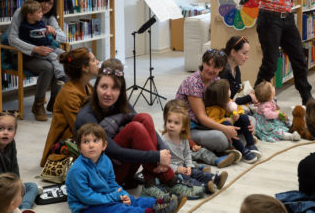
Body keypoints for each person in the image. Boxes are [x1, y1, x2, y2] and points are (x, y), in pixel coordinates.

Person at [75, 58, 197, 200]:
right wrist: (156, 157)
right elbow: (113, 150)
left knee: (144, 118)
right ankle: (168, 178)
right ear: (96, 87)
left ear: (121, 91)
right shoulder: (86, 116)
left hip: (124, 171)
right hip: (101, 178)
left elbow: (145, 122)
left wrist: (164, 154)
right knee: (135, 128)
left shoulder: (121, 104)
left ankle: (155, 178)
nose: (108, 93)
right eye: (104, 87)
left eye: (114, 88)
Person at [66, 123, 185, 213]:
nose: (91, 145)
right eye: (86, 142)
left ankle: (160, 202)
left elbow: (112, 184)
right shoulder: (77, 170)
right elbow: (87, 197)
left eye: (95, 141)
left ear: (104, 145)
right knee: (118, 208)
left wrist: (123, 195)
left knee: (132, 199)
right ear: (79, 148)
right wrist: (113, 197)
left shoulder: (105, 161)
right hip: (85, 207)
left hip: (105, 197)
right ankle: (152, 211)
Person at [7, 0, 68, 121]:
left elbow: (64, 37)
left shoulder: (48, 17)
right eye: (44, 1)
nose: (46, 6)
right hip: (22, 55)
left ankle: (54, 103)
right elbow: (12, 39)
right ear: (37, 0)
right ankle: (38, 105)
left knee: (64, 60)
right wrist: (34, 48)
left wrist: (54, 33)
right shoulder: (22, 12)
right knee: (48, 67)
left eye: (50, 4)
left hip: (44, 52)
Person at [176, 49, 244, 153]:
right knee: (220, 139)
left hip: (211, 120)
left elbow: (225, 103)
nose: (211, 69)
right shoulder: (192, 82)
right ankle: (236, 143)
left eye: (216, 67)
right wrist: (224, 128)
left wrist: (236, 116)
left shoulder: (216, 80)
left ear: (221, 68)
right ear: (203, 62)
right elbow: (201, 118)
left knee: (248, 120)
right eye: (208, 64)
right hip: (191, 127)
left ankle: (234, 143)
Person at [40, 48, 96, 166]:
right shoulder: (69, 93)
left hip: (83, 135)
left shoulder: (87, 86)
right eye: (94, 60)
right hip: (67, 143)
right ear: (84, 68)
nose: (98, 63)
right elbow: (79, 126)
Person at [0, 111, 39, 211]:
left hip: (8, 184)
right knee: (20, 194)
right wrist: (15, 191)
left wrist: (18, 185)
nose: (5, 132)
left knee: (32, 186)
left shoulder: (11, 143)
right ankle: (19, 207)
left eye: (10, 129)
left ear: (15, 132)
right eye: (1, 129)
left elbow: (14, 165)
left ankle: (21, 207)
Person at [161, 106, 228, 195]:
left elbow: (187, 153)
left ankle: (216, 179)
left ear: (183, 127)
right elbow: (162, 162)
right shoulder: (164, 141)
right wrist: (177, 169)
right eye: (169, 121)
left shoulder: (183, 138)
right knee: (188, 180)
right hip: (172, 171)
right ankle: (204, 187)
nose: (171, 125)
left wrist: (189, 166)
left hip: (183, 165)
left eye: (176, 123)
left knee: (197, 173)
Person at [162, 99, 238, 169]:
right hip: (176, 160)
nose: (172, 125)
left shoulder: (181, 130)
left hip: (187, 153)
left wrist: (193, 145)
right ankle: (201, 168)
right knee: (186, 163)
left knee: (201, 152)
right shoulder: (165, 137)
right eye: (170, 121)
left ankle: (216, 160)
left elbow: (187, 140)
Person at [204, 79, 260, 163]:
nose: (230, 91)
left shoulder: (228, 102)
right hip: (223, 130)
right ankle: (243, 150)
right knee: (226, 123)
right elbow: (213, 122)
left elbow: (239, 109)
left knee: (244, 117)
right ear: (222, 96)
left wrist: (237, 115)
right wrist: (224, 120)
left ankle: (250, 143)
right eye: (229, 90)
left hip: (233, 125)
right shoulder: (214, 109)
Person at [219, 36, 258, 106]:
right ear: (233, 52)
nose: (247, 57)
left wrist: (250, 97)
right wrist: (249, 97)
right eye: (244, 53)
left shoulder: (235, 67)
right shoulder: (222, 72)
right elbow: (226, 102)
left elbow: (236, 93)